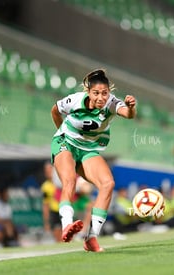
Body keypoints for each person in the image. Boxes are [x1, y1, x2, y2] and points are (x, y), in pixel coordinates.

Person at [50, 69, 136, 252]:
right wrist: (61, 131)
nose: (100, 97)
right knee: (69, 180)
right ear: (88, 91)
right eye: (96, 93)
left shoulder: (111, 103)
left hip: (89, 149)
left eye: (104, 93)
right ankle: (67, 224)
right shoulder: (74, 100)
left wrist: (130, 107)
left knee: (108, 183)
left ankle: (91, 238)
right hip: (65, 143)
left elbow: (128, 114)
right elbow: (55, 111)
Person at [41, 161, 62, 242]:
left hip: (65, 210)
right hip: (54, 212)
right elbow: (45, 204)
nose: (48, 171)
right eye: (46, 170)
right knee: (57, 236)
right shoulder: (45, 186)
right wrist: (46, 222)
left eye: (49, 169)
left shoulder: (62, 182)